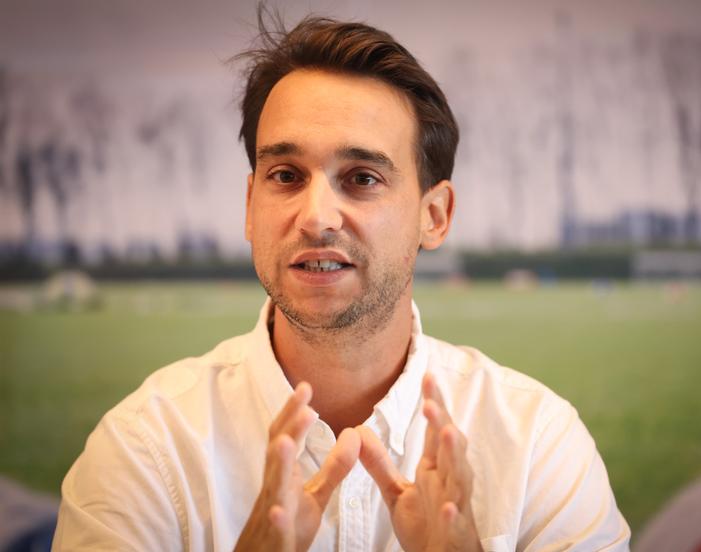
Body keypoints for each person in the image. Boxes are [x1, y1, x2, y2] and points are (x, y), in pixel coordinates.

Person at [53, 12, 630, 552]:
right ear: (252, 205)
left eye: (361, 177)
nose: (316, 216)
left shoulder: (538, 444)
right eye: (285, 175)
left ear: (435, 216)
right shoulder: (145, 448)